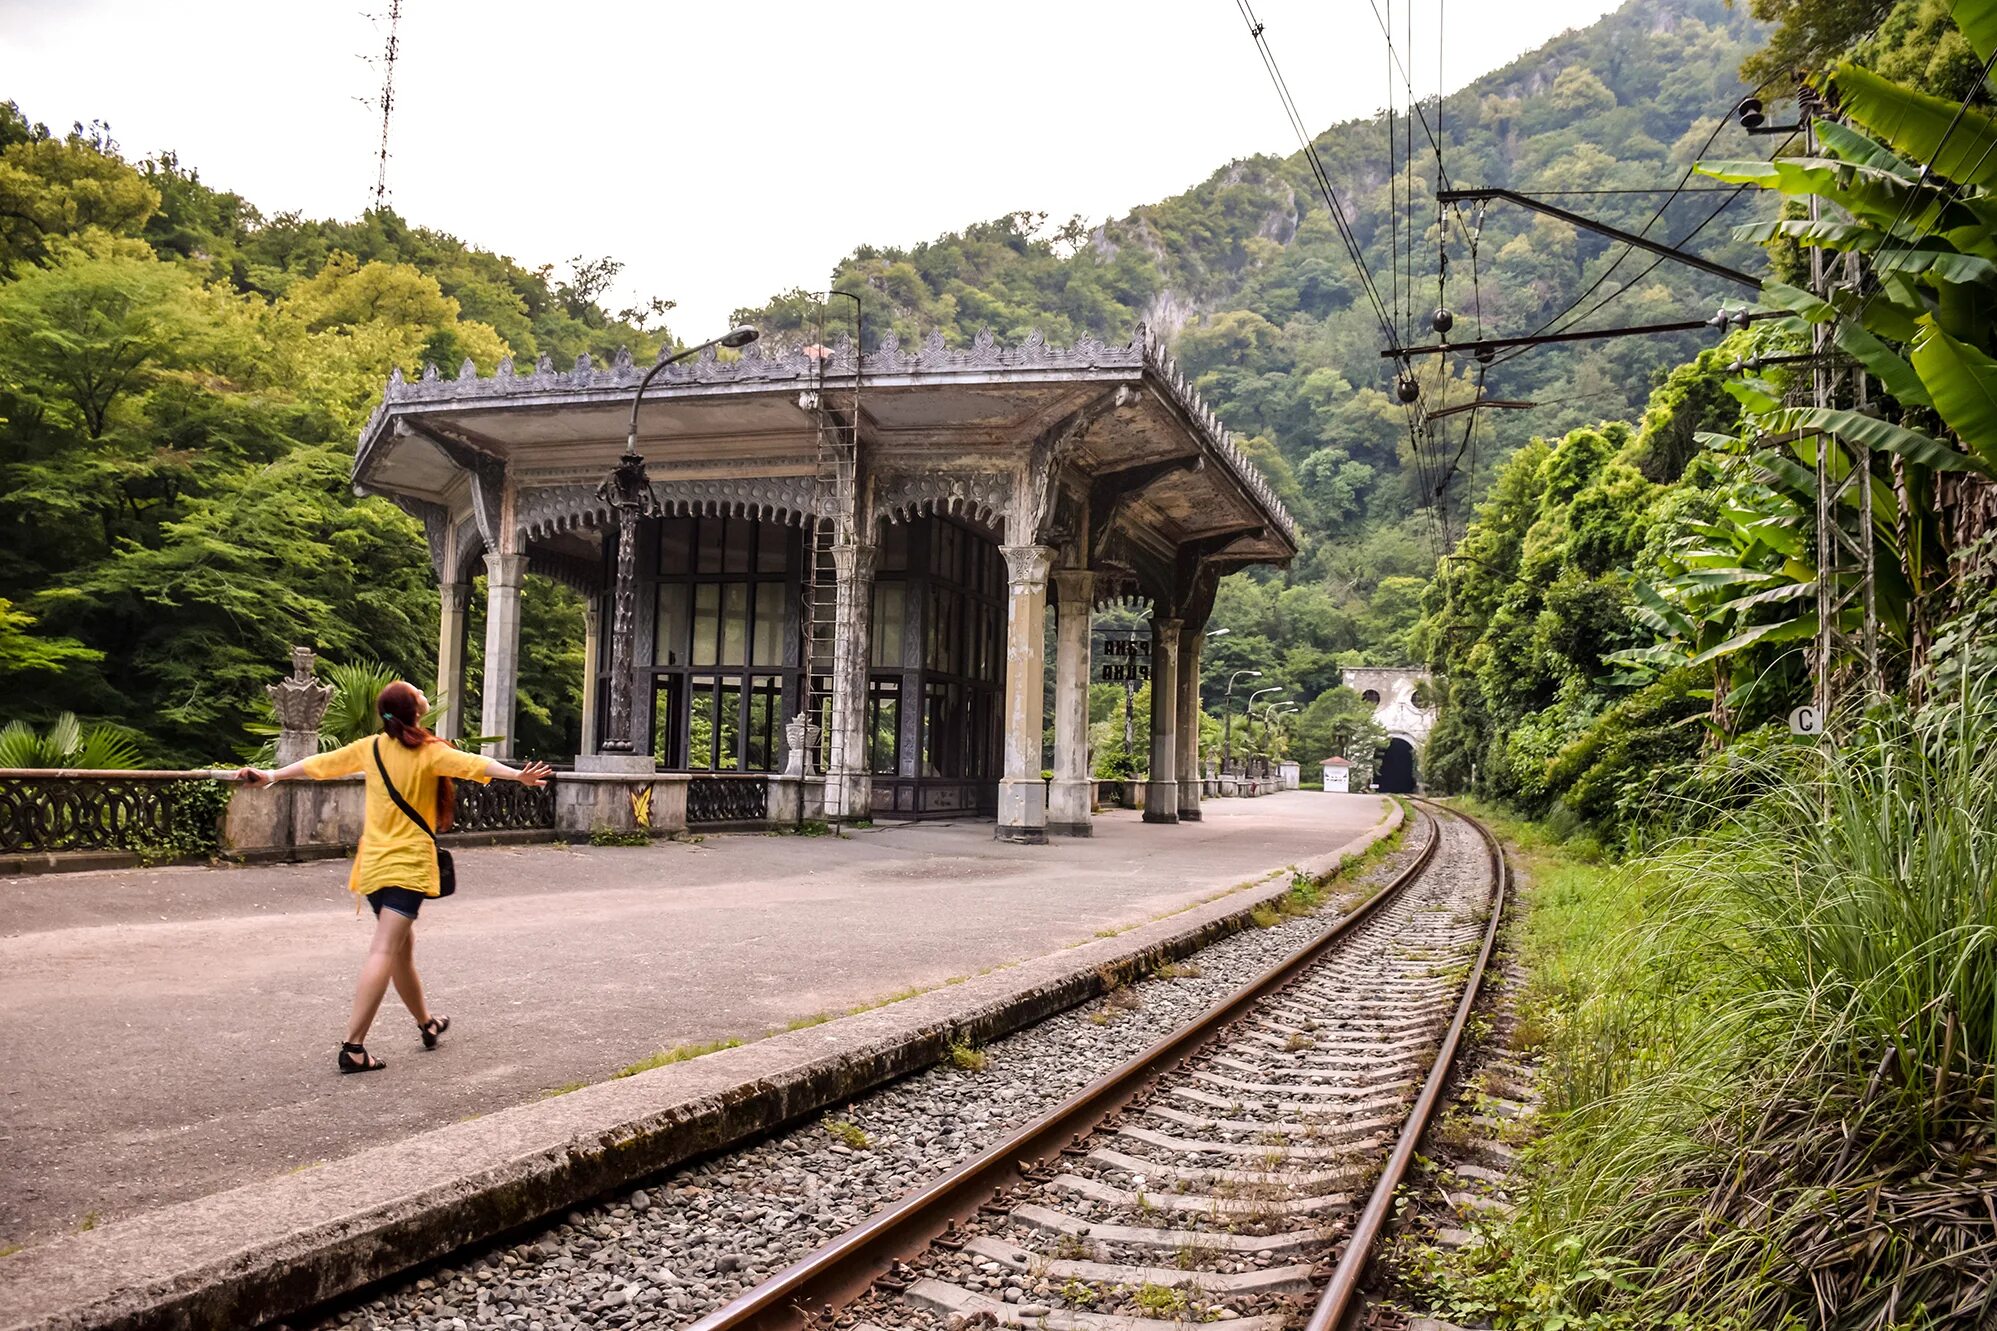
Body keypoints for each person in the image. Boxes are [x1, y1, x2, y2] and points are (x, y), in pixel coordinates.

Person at [237, 681, 552, 1074]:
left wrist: (271, 774)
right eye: (419, 692)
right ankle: (354, 1047)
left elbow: (322, 764)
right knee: (385, 949)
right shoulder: (428, 751)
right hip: (406, 867)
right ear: (416, 710)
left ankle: (427, 1023)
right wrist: (516, 776)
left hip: (373, 867)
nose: (423, 693)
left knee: (401, 950)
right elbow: (474, 764)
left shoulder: (370, 748)